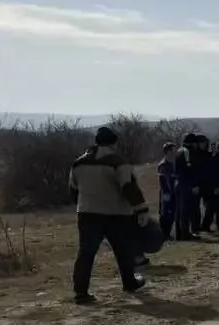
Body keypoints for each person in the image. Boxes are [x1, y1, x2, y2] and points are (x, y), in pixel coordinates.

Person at [69, 126, 149, 303]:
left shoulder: (78, 163)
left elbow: (73, 189)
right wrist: (141, 209)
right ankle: (129, 283)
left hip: (87, 213)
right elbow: (128, 187)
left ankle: (80, 292)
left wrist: (83, 205)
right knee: (123, 250)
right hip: (116, 213)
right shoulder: (118, 162)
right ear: (114, 143)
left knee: (86, 253)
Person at [157, 142, 178, 240]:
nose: (175, 152)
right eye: (173, 150)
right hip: (166, 193)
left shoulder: (173, 164)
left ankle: (167, 233)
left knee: (172, 213)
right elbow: (166, 181)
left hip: (173, 192)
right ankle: (163, 234)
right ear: (168, 151)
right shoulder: (163, 165)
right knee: (165, 213)